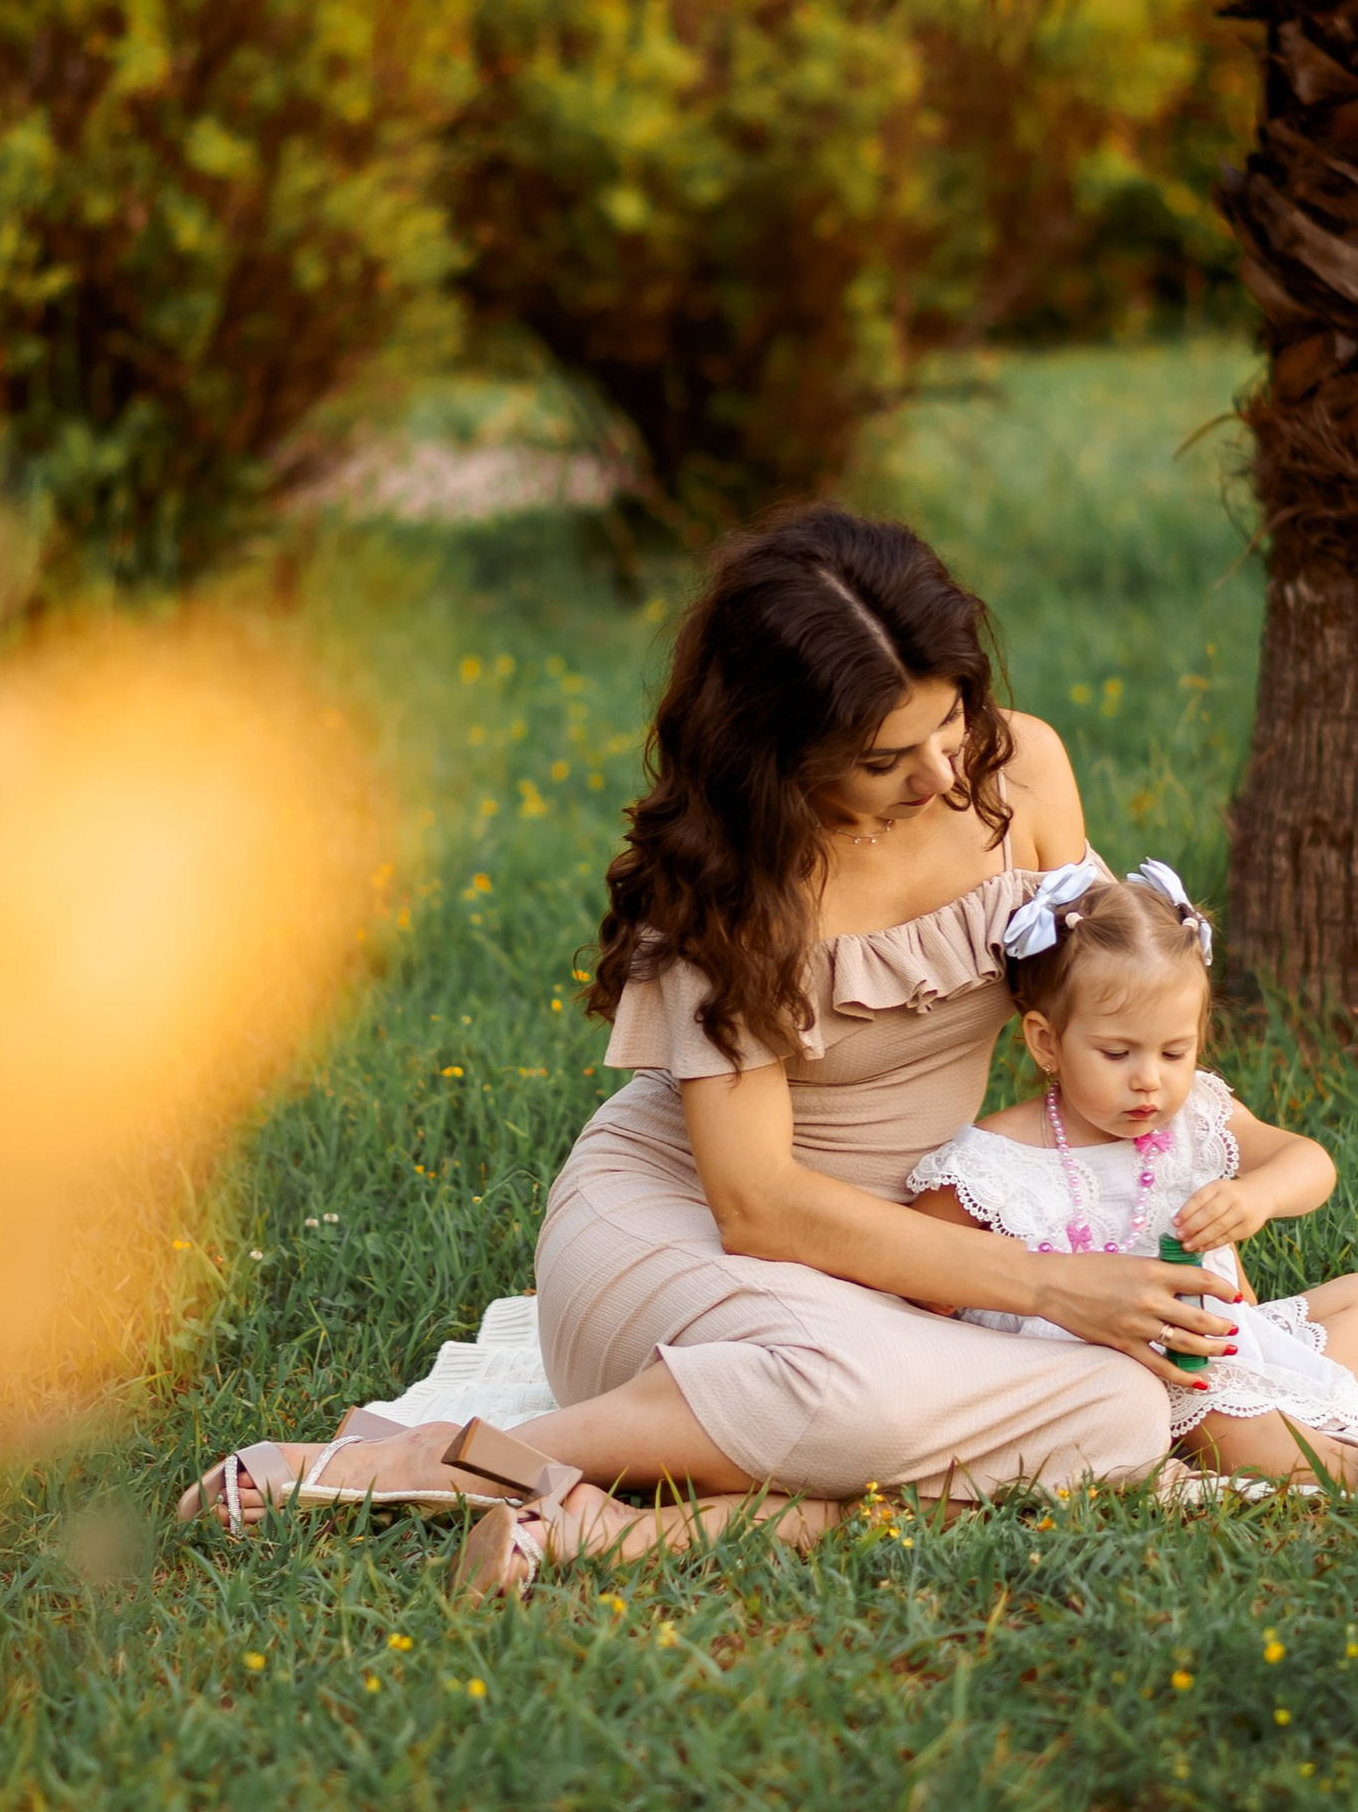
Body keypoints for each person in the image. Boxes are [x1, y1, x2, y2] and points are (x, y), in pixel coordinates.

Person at [186, 503, 1245, 1585]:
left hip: (901, 1271)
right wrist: (1049, 1287)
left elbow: (1111, 1007)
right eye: (884, 758)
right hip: (684, 1236)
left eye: (952, 720)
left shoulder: (1021, 775)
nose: (938, 774)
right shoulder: (727, 884)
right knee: (862, 1397)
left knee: (1121, 1414)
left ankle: (612, 1530)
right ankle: (430, 1458)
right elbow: (759, 1208)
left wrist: (1202, 1168)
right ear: (779, 751)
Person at [903, 858, 1358, 1495]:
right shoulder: (1000, 1156)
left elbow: (1310, 1162)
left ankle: (1288, 1425)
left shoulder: (1195, 1114)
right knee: (1211, 1399)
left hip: (1216, 1339)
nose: (1150, 1079)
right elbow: (921, 1260)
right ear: (1046, 1043)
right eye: (1117, 1053)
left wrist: (1258, 1194)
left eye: (1174, 1052)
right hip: (1108, 1370)